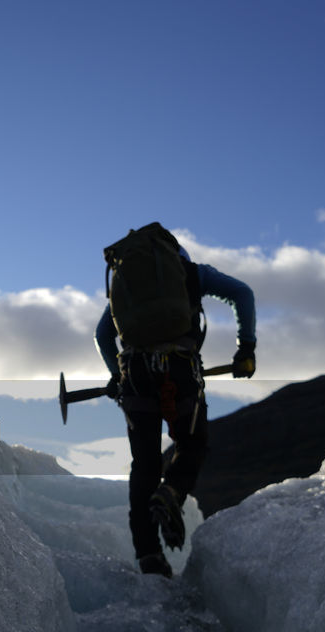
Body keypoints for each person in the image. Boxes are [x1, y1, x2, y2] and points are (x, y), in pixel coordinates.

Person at [96, 224, 256, 578]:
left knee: (144, 464)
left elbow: (103, 335)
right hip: (181, 369)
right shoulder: (192, 273)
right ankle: (171, 492)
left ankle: (149, 555)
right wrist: (246, 348)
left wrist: (117, 375)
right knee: (192, 443)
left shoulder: (128, 289)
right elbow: (242, 294)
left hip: (136, 374)